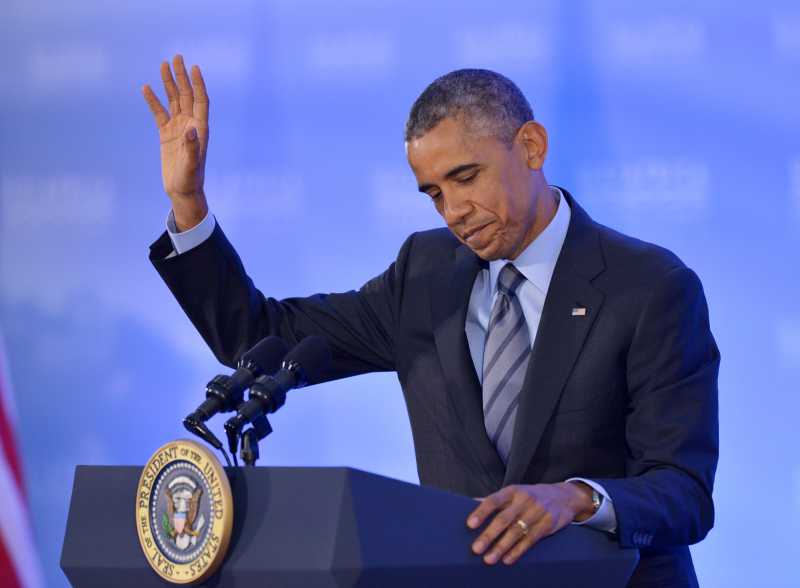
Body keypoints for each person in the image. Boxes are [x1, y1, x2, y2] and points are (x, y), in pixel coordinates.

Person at [143, 54, 719, 587]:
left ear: (532, 146)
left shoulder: (648, 287)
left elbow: (683, 491)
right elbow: (259, 338)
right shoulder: (425, 275)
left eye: (466, 178)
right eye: (434, 194)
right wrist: (189, 203)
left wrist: (578, 500)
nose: (454, 212)